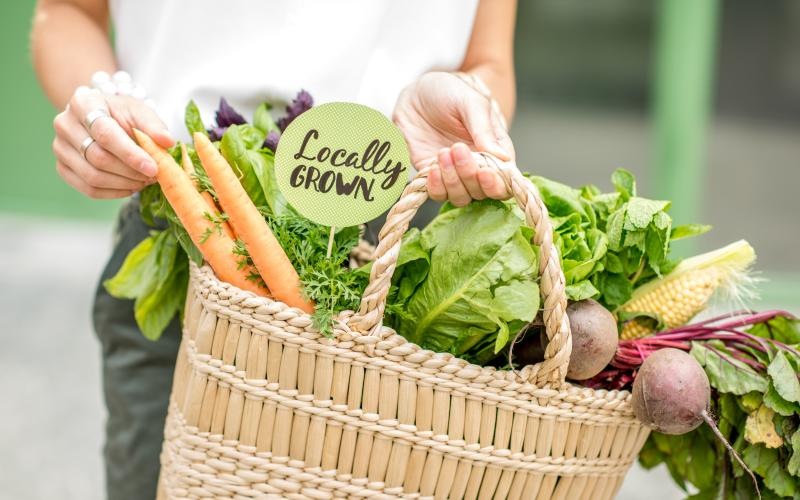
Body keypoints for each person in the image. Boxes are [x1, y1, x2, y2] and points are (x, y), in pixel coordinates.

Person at [32, 1, 517, 498]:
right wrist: (101, 106)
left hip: (392, 237)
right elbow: (66, 12)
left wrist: (470, 110)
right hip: (190, 202)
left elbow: (489, 62)